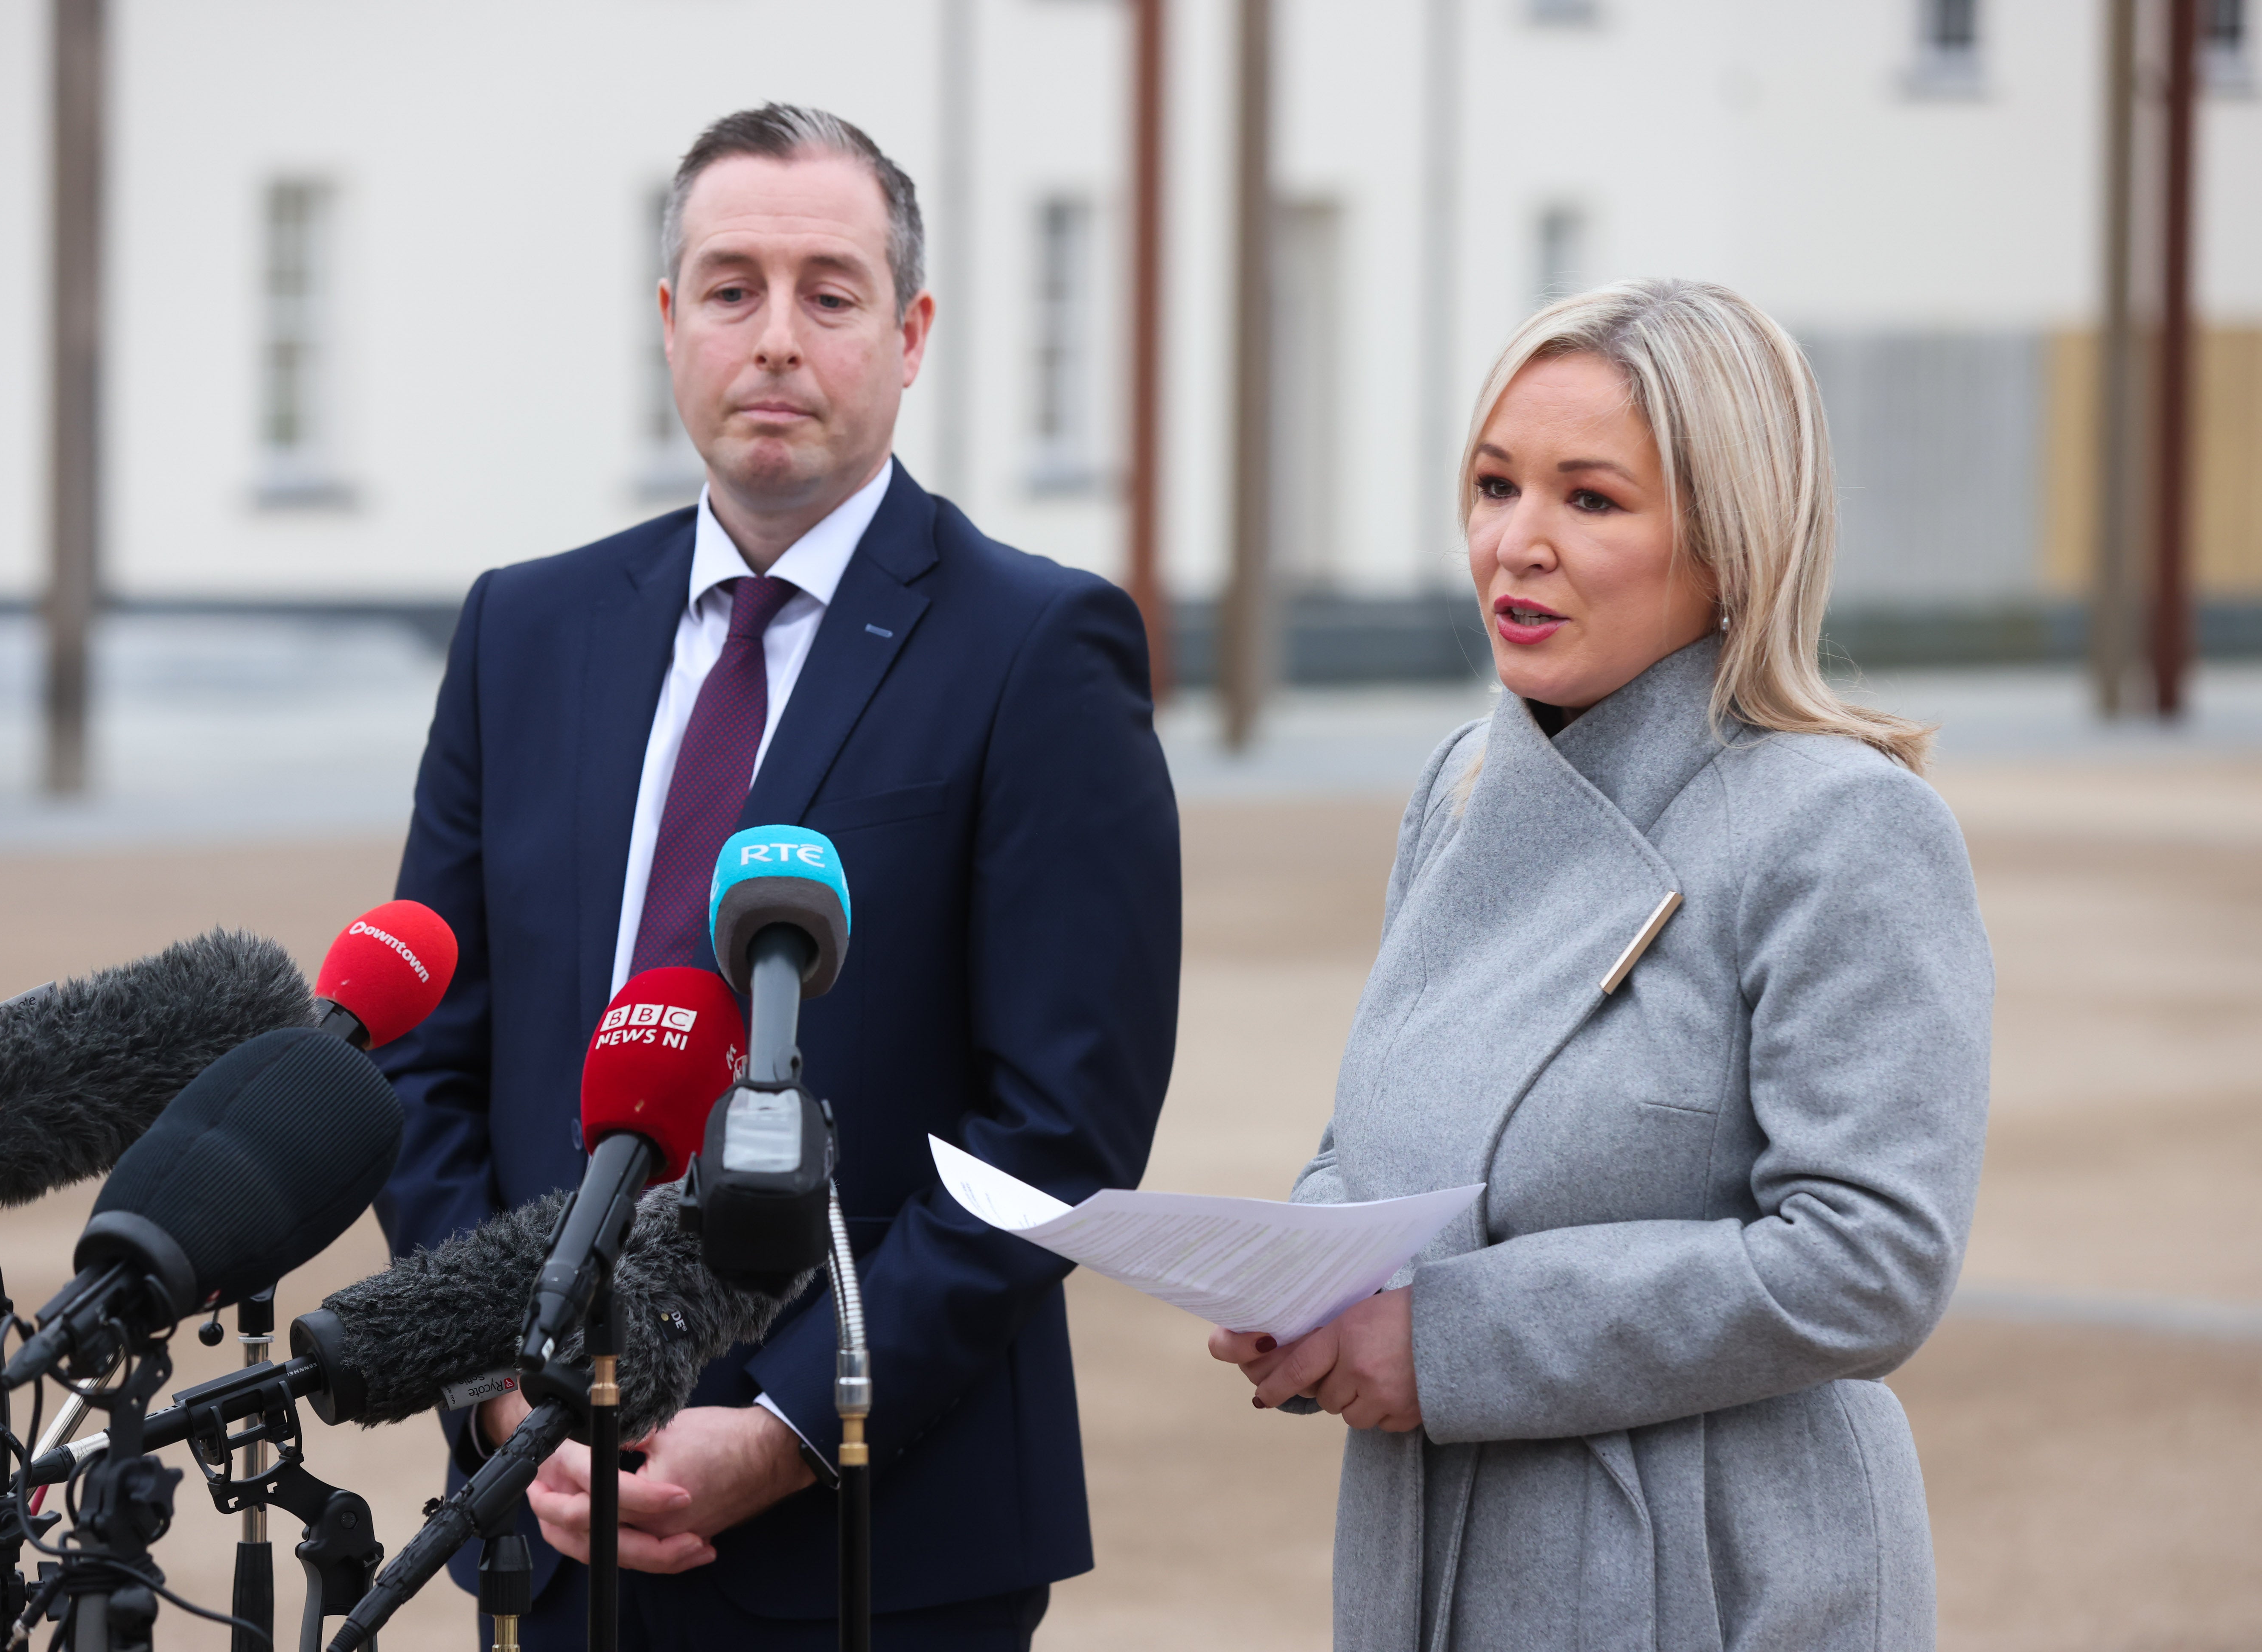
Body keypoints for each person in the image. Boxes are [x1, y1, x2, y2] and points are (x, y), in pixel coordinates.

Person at [376, 103, 1179, 1650]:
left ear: (911, 331)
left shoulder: (1039, 650)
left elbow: (1059, 1122)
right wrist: (498, 1381)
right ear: (670, 321)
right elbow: (426, 1049)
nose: (777, 339)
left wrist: (794, 1428)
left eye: (831, 291)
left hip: (882, 1534)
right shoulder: (520, 635)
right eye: (732, 288)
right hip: (548, 1513)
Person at [1209, 278, 1992, 1650]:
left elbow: (1871, 1259)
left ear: (1732, 542)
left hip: (1721, 1568)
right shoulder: (1462, 787)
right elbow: (1373, 1133)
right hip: (1430, 1545)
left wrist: (1446, 1343)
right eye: (1495, 485)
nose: (1516, 544)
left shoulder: (1845, 827)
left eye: (1591, 500)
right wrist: (1311, 1278)